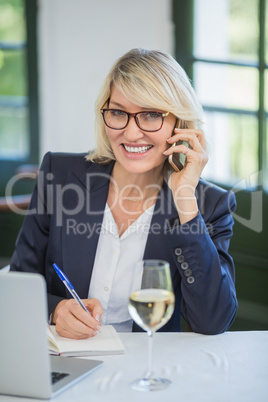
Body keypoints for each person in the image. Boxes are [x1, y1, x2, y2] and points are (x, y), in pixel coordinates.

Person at [10, 48, 238, 338]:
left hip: (148, 369)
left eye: (152, 115)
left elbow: (212, 320)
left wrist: (184, 201)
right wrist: (55, 310)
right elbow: (20, 282)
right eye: (118, 113)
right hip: (67, 361)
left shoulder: (208, 205)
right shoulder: (60, 174)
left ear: (180, 124)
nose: (131, 134)